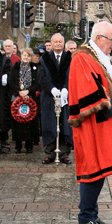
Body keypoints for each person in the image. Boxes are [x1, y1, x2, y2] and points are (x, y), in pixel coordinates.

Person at [69, 22, 112, 224]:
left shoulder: (99, 58)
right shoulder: (82, 58)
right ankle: (85, 218)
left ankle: (91, 215)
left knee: (100, 170)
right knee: (92, 169)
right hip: (90, 124)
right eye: (111, 39)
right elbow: (90, 91)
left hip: (103, 122)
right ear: (98, 38)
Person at [38, 32, 73, 164]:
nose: (58, 44)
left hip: (65, 96)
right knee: (49, 123)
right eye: (55, 42)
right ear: (51, 44)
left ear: (64, 43)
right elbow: (42, 77)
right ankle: (49, 153)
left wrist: (66, 88)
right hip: (49, 96)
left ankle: (64, 153)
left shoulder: (69, 58)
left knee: (64, 124)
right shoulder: (44, 59)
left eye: (60, 41)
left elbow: (71, 75)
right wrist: (51, 89)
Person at [7, 46, 40, 155]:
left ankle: (29, 145)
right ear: (21, 56)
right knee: (17, 122)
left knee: (30, 122)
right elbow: (11, 82)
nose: (26, 57)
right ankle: (18, 145)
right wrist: (19, 92)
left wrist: (28, 92)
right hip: (17, 97)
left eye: (28, 55)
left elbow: (37, 83)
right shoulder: (15, 67)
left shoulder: (35, 68)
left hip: (30, 98)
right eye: (24, 55)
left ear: (31, 57)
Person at [0, 38, 18, 150]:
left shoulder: (5, 59)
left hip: (2, 92)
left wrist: (6, 76)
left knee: (2, 115)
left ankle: (4, 138)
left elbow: (9, 71)